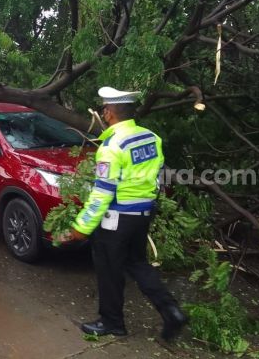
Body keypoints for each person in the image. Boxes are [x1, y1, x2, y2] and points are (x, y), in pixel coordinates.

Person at [59, 87, 187, 339]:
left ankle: (112, 323)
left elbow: (103, 193)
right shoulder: (151, 137)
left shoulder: (111, 147)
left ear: (108, 113)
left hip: (116, 219)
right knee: (137, 263)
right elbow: (157, 175)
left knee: (109, 269)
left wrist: (81, 227)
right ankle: (172, 311)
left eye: (104, 110)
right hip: (143, 214)